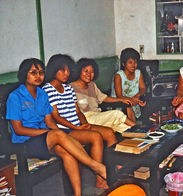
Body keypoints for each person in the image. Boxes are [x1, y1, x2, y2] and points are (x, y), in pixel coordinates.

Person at [6, 58, 107, 195]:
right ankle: (96, 166)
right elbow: (18, 129)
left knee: (67, 153)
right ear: (25, 74)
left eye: (41, 72)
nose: (38, 76)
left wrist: (57, 134)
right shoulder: (15, 96)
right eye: (33, 72)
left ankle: (77, 194)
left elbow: (49, 122)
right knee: (58, 134)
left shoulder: (42, 94)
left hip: (45, 139)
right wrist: (51, 133)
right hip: (24, 142)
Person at [69, 58, 136, 133]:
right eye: (86, 71)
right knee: (117, 114)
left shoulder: (92, 85)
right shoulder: (70, 88)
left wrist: (120, 99)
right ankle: (139, 131)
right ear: (79, 71)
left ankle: (140, 138)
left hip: (98, 116)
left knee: (124, 126)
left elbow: (104, 98)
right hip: (85, 119)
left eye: (92, 72)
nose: (89, 74)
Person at [111, 48, 146, 122]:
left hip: (134, 103)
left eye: (135, 62)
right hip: (120, 105)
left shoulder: (138, 73)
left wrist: (137, 96)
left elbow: (143, 88)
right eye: (130, 62)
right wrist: (132, 100)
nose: (133, 65)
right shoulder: (118, 76)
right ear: (123, 64)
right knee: (128, 107)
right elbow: (119, 96)